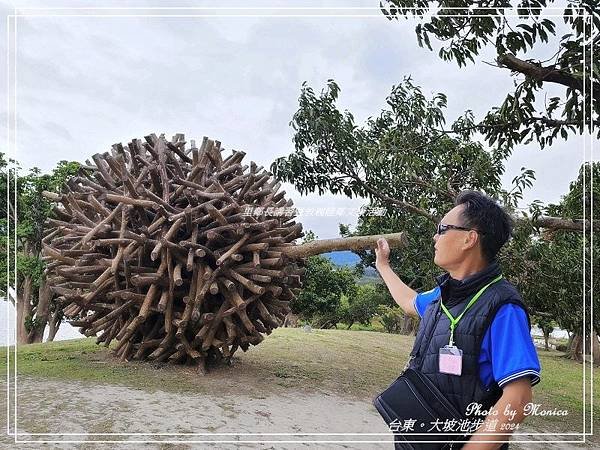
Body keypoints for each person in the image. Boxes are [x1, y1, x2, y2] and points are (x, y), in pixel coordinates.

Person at [375, 190, 541, 450]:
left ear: (469, 239)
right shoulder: (443, 294)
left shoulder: (503, 307)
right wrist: (383, 266)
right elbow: (410, 303)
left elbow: (518, 399)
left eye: (442, 229)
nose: (435, 237)